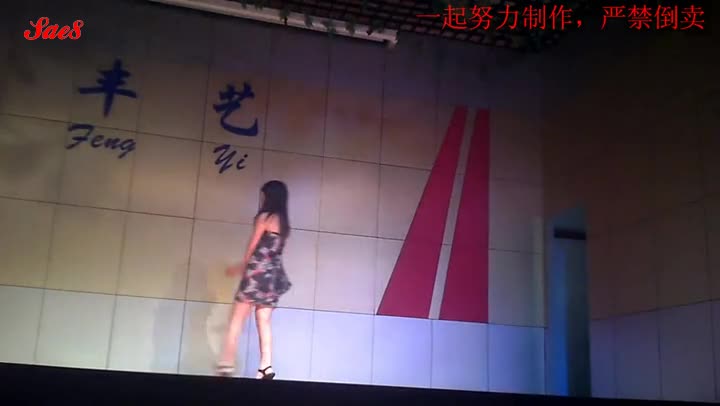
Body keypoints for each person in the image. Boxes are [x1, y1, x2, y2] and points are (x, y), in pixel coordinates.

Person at [217, 180, 292, 380]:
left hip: (256, 273)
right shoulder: (284, 223)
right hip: (272, 277)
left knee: (237, 319)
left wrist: (241, 268)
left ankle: (226, 364)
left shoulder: (264, 217)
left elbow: (253, 246)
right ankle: (266, 366)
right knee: (263, 322)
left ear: (269, 196)